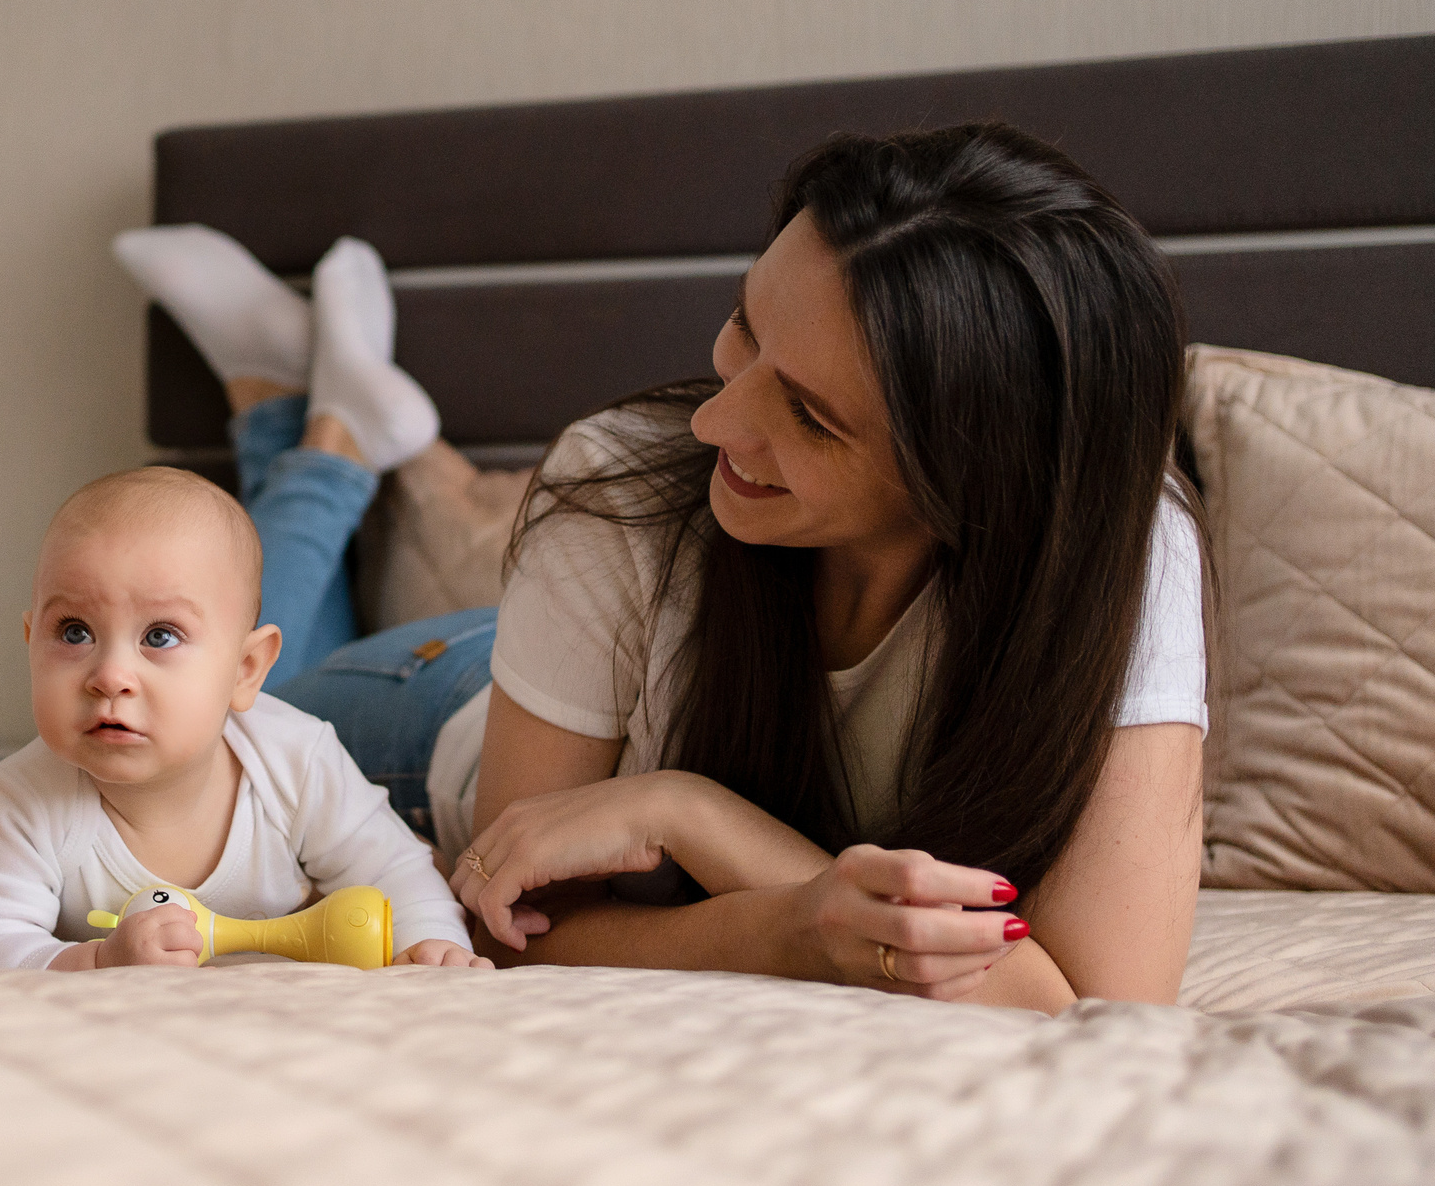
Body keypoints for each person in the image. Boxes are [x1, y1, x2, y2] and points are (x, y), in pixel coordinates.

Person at [112, 123, 1208, 1012]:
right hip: (433, 713)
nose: (714, 421)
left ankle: (315, 414)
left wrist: (693, 816)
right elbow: (513, 925)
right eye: (745, 327)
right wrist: (789, 917)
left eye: (810, 417)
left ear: (974, 479)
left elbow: (1093, 1005)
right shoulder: (622, 483)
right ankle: (315, 440)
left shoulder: (1116, 553)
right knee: (203, 701)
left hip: (570, 680)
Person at [0, 466, 480, 971]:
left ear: (246, 670)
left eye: (160, 636)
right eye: (74, 632)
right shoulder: (23, 799)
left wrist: (432, 945)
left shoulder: (296, 760)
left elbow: (397, 872)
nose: (109, 676)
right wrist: (98, 962)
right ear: (30, 643)